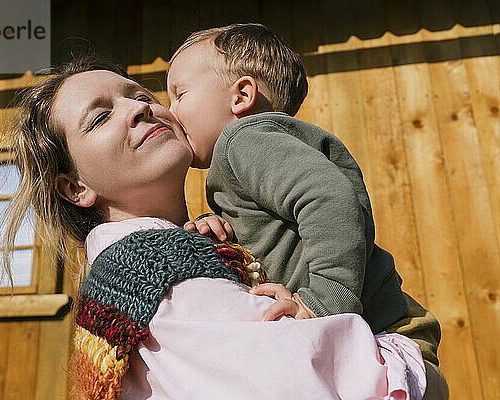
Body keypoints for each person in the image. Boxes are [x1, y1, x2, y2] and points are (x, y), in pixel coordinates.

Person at [2, 56, 428, 399]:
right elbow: (305, 382)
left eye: (139, 95)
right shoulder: (151, 271)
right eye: (99, 117)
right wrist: (413, 365)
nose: (139, 108)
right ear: (75, 187)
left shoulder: (188, 248)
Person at [167, 23, 448, 397]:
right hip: (373, 324)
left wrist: (327, 298)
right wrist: (218, 228)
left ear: (242, 95)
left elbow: (329, 197)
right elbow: (275, 229)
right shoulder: (256, 150)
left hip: (383, 328)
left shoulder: (242, 140)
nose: (169, 111)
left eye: (179, 95)